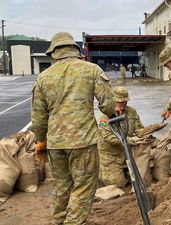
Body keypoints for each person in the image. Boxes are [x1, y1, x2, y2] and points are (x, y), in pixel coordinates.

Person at [31, 32, 115, 225]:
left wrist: (41, 141)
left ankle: (59, 221)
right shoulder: (91, 70)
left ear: (53, 52)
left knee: (61, 186)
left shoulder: (43, 77)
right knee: (83, 187)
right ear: (75, 50)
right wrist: (111, 115)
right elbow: (108, 106)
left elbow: (38, 116)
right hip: (83, 141)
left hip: (55, 143)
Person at [98, 86, 144, 187]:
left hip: (127, 153)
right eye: (120, 101)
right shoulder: (105, 115)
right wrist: (126, 140)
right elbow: (107, 137)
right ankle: (101, 171)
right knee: (118, 184)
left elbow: (139, 128)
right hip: (111, 156)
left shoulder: (131, 112)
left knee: (141, 176)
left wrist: (145, 133)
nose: (123, 103)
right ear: (113, 100)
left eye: (125, 101)